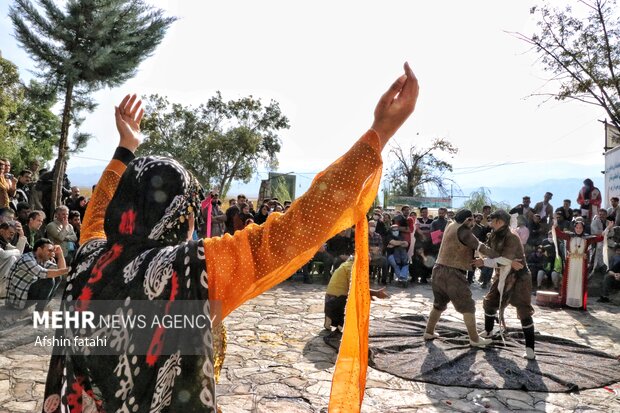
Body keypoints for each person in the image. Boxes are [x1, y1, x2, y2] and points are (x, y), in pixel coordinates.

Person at [43, 62, 419, 412]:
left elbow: (98, 209)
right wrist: (379, 134)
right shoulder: (190, 270)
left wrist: (125, 149)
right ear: (178, 214)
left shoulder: (91, 256)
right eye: (189, 208)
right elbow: (297, 226)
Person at [424, 209, 501, 348]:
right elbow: (480, 247)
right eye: (471, 219)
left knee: (439, 304)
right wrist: (499, 256)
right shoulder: (464, 231)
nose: (473, 222)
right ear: (466, 220)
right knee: (468, 306)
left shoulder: (450, 225)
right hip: (452, 272)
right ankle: (475, 339)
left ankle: (429, 332)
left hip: (438, 270)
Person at [475, 210, 534, 359]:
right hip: (502, 275)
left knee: (524, 311)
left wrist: (485, 262)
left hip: (519, 278)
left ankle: (530, 349)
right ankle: (489, 331)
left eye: (492, 219)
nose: (489, 221)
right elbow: (493, 253)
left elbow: (505, 260)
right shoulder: (494, 234)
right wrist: (475, 245)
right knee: (489, 303)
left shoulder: (512, 237)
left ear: (500, 221)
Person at [553, 219, 609, 310]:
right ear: (574, 228)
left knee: (579, 283)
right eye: (577, 227)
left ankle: (578, 303)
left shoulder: (587, 238)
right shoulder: (569, 236)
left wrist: (607, 228)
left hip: (581, 265)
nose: (578, 229)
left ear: (583, 228)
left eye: (580, 228)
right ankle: (568, 302)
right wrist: (555, 225)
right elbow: (559, 233)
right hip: (571, 264)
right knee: (570, 281)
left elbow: (599, 238)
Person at [324, 256, 388, 332]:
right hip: (337, 301)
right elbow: (356, 287)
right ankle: (341, 324)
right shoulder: (352, 268)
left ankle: (330, 318)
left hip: (330, 300)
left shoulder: (345, 265)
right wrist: (376, 293)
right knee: (356, 303)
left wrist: (368, 294)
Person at [5, 238, 68, 311]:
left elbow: (61, 270)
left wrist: (60, 254)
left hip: (26, 296)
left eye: (52, 251)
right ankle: (38, 313)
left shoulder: (42, 259)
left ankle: (41, 308)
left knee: (57, 277)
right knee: (49, 280)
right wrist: (69, 269)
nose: (51, 253)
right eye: (49, 250)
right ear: (39, 249)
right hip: (16, 301)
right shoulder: (26, 259)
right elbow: (43, 272)